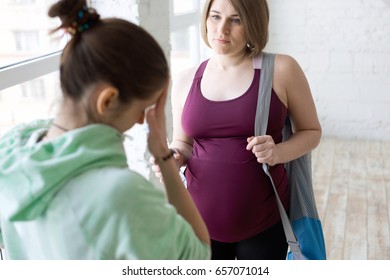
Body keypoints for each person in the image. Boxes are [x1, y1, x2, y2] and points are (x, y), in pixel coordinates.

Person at [0, 0, 210, 260]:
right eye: (142, 108)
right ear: (107, 100)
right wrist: (164, 158)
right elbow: (198, 256)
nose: (140, 121)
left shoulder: (10, 153)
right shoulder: (121, 195)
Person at [151, 0, 321, 260]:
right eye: (216, 17)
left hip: (264, 223)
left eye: (236, 20)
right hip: (197, 223)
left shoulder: (281, 69)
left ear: (254, 23)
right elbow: (183, 144)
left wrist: (278, 152)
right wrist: (173, 160)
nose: (222, 29)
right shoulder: (186, 80)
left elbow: (311, 131)